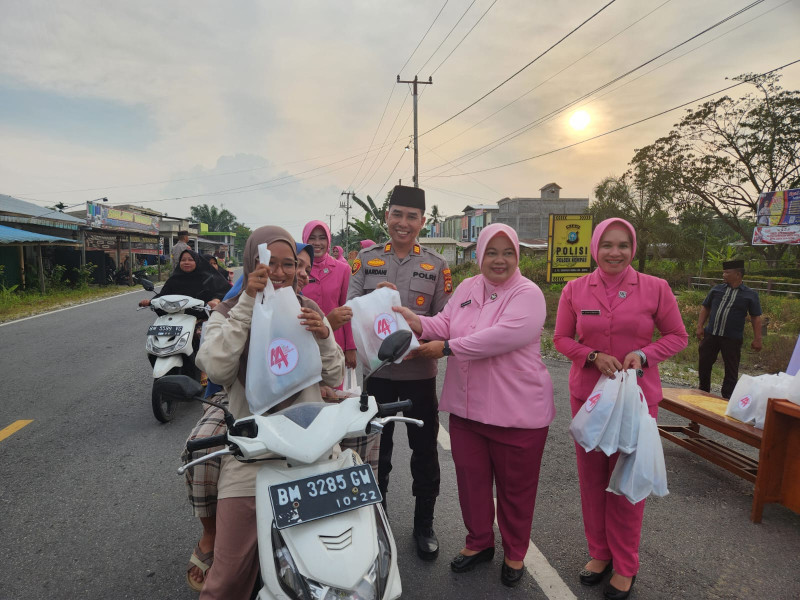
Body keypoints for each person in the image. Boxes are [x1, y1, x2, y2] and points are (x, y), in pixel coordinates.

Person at [393, 223, 554, 587]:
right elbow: (444, 323)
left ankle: (514, 553)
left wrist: (448, 348)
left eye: (507, 252)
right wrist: (414, 320)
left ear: (517, 255)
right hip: (468, 411)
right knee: (471, 484)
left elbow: (499, 338)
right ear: (479, 254)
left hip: (518, 414)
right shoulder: (468, 287)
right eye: (492, 252)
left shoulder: (527, 294)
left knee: (515, 490)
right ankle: (479, 541)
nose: (499, 260)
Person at [194, 226, 344, 599]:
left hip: (310, 450)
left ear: (298, 268)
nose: (278, 273)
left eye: (288, 264)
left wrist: (324, 336)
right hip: (253, 457)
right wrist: (247, 303)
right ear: (251, 264)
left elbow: (335, 374)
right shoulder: (228, 311)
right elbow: (216, 368)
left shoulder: (307, 310)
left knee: (337, 566)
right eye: (268, 263)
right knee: (226, 582)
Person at [553, 218, 688, 600]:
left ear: (633, 248)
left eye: (623, 245)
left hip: (636, 401)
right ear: (594, 247)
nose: (615, 252)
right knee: (592, 481)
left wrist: (645, 353)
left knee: (628, 484)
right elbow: (561, 338)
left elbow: (678, 336)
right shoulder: (576, 289)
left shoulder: (655, 288)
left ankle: (626, 565)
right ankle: (599, 553)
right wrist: (591, 355)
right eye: (607, 245)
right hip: (590, 401)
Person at [347, 184, 452, 560]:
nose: (403, 223)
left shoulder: (438, 265)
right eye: (397, 214)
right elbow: (350, 305)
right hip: (377, 375)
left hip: (420, 375)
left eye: (411, 217)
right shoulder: (367, 260)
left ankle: (424, 525)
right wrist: (376, 300)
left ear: (423, 221)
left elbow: (446, 319)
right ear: (387, 216)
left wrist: (418, 333)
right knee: (378, 453)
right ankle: (379, 523)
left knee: (425, 452)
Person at [696, 259, 763, 398]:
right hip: (711, 335)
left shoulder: (750, 294)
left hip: (732, 339)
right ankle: (703, 392)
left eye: (727, 272)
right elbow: (705, 307)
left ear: (738, 274)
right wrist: (700, 326)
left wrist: (758, 339)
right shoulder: (716, 290)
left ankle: (726, 399)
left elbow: (756, 317)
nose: (724, 274)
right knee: (704, 364)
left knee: (731, 370)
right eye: (723, 272)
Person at [302, 220, 357, 372]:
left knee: (334, 392)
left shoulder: (343, 269)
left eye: (322, 238)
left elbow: (347, 310)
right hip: (304, 341)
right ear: (305, 239)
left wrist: (351, 347)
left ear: (329, 240)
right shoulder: (297, 269)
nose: (317, 243)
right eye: (312, 238)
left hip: (335, 342)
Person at [138, 249, 230, 310]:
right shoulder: (174, 279)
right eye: (183, 260)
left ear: (197, 262)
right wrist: (150, 302)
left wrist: (215, 300)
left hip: (203, 317)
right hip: (176, 317)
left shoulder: (209, 278)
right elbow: (164, 295)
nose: (186, 262)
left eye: (190, 260)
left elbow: (224, 291)